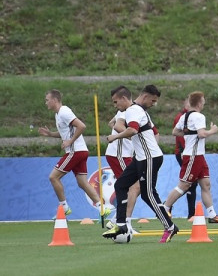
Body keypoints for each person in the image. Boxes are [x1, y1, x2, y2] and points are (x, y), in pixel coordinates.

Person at [102, 85, 178, 243]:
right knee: (121, 185)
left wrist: (115, 137)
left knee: (148, 194)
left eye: (116, 102)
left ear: (124, 99)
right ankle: (121, 224)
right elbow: (118, 124)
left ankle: (170, 227)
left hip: (149, 158)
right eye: (153, 101)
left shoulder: (134, 111)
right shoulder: (132, 110)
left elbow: (133, 130)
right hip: (141, 158)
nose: (153, 104)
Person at [38, 90, 112, 219]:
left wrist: (70, 141)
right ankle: (102, 207)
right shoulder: (58, 114)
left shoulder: (64, 112)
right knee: (82, 182)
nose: (46, 103)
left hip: (75, 151)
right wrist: (50, 134)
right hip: (81, 151)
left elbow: (81, 126)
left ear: (54, 100)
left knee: (53, 177)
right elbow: (65, 134)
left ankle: (64, 207)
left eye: (47, 100)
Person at [162, 91, 218, 224]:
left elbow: (175, 132)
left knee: (206, 184)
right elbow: (202, 134)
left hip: (198, 155)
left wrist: (188, 134)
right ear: (199, 102)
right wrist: (213, 131)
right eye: (203, 100)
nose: (204, 103)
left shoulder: (184, 116)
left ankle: (212, 215)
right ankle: (165, 208)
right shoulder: (199, 116)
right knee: (184, 185)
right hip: (193, 155)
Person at [105, 85, 140, 233]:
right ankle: (126, 223)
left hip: (122, 153)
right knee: (134, 186)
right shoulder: (126, 111)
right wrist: (133, 134)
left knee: (133, 187)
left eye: (115, 102)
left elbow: (111, 123)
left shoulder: (129, 110)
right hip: (118, 154)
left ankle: (115, 220)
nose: (115, 105)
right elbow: (117, 125)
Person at [172, 97, 197, 219]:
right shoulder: (182, 117)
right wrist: (184, 152)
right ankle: (168, 205)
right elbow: (181, 137)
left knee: (192, 183)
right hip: (185, 153)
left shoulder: (191, 117)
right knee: (188, 183)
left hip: (191, 153)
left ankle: (191, 213)